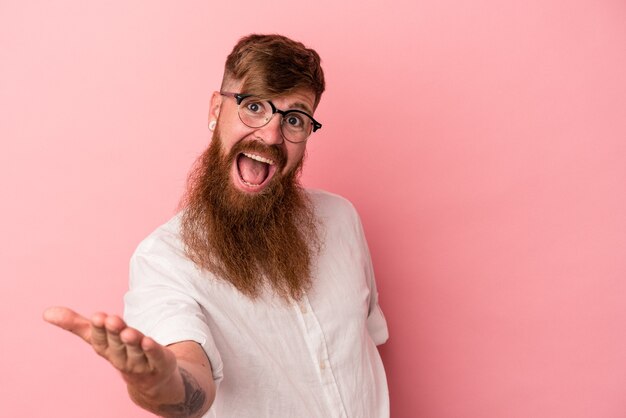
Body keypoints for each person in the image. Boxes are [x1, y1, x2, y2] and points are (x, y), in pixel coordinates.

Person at [44, 33, 389, 418]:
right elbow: (188, 377)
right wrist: (160, 383)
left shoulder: (342, 220)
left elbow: (367, 343)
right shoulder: (164, 260)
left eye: (294, 119)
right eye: (253, 106)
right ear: (214, 110)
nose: (271, 134)